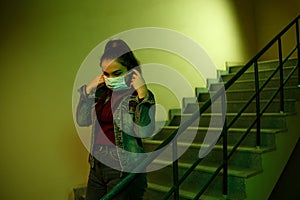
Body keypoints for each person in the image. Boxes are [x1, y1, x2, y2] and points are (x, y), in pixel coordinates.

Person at [76, 39, 156, 200]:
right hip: (97, 165)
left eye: (117, 73)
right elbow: (82, 120)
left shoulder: (139, 95)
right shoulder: (102, 94)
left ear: (131, 71)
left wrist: (143, 96)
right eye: (106, 74)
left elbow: (144, 131)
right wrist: (87, 90)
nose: (111, 78)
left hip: (124, 167)